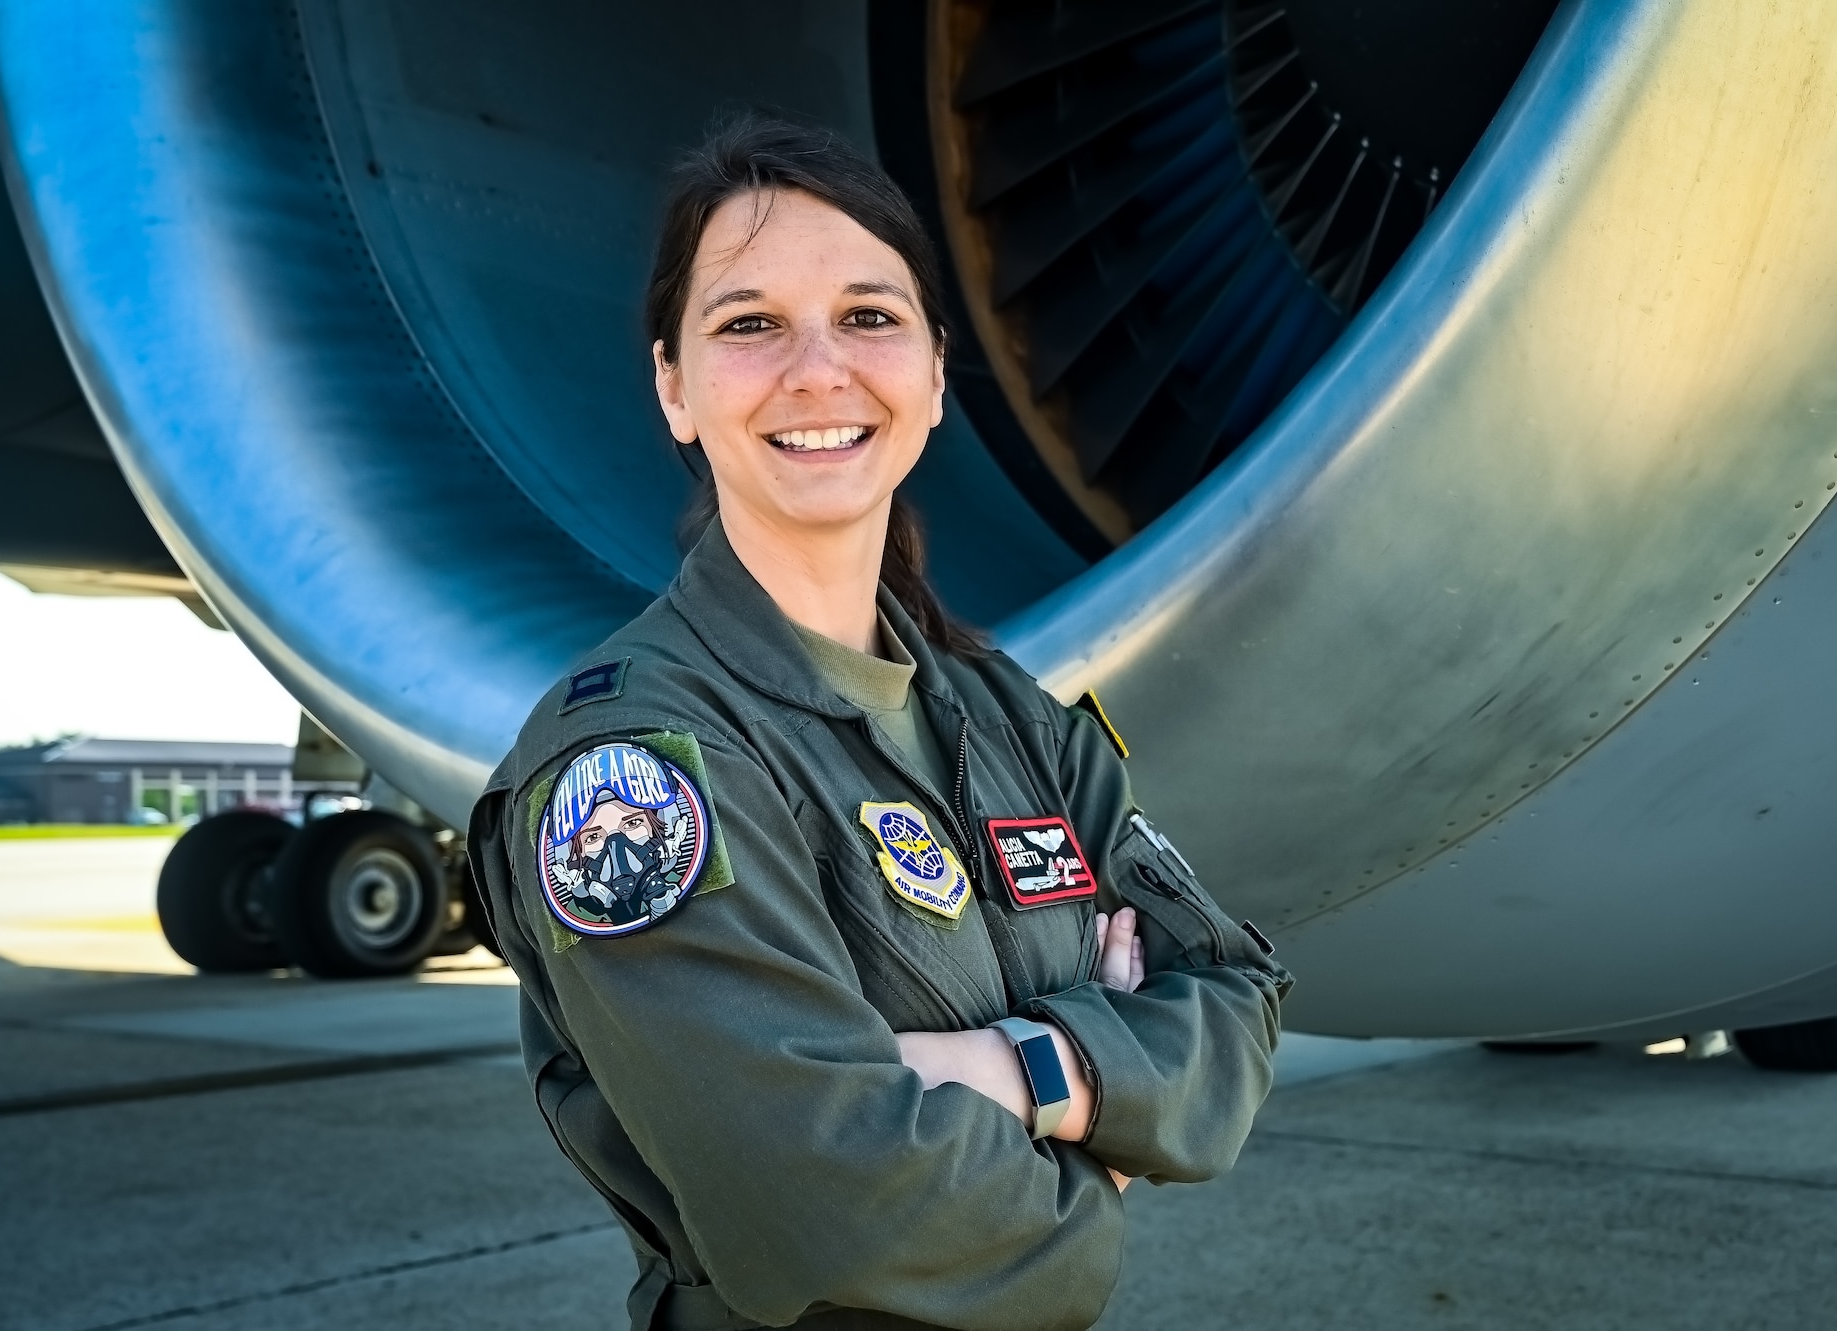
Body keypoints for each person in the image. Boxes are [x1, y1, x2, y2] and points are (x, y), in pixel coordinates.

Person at [467, 115, 1292, 1331]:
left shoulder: (1012, 717)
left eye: (868, 315)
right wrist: (1105, 1130)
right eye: (747, 324)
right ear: (673, 387)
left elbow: (1236, 994)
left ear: (936, 372)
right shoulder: (634, 763)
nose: (817, 370)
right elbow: (818, 1197)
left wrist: (1016, 1068)